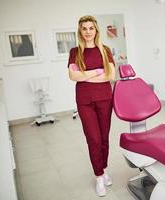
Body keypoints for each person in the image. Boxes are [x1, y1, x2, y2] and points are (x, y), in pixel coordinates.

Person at [67, 15, 115, 197]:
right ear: (80, 31)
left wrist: (85, 74)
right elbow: (73, 76)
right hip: (85, 101)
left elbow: (110, 75)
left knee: (104, 138)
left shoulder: (105, 50)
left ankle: (103, 169)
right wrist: (97, 71)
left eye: (91, 28)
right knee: (93, 139)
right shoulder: (75, 52)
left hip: (104, 99)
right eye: (84, 28)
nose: (88, 31)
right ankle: (99, 177)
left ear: (96, 30)